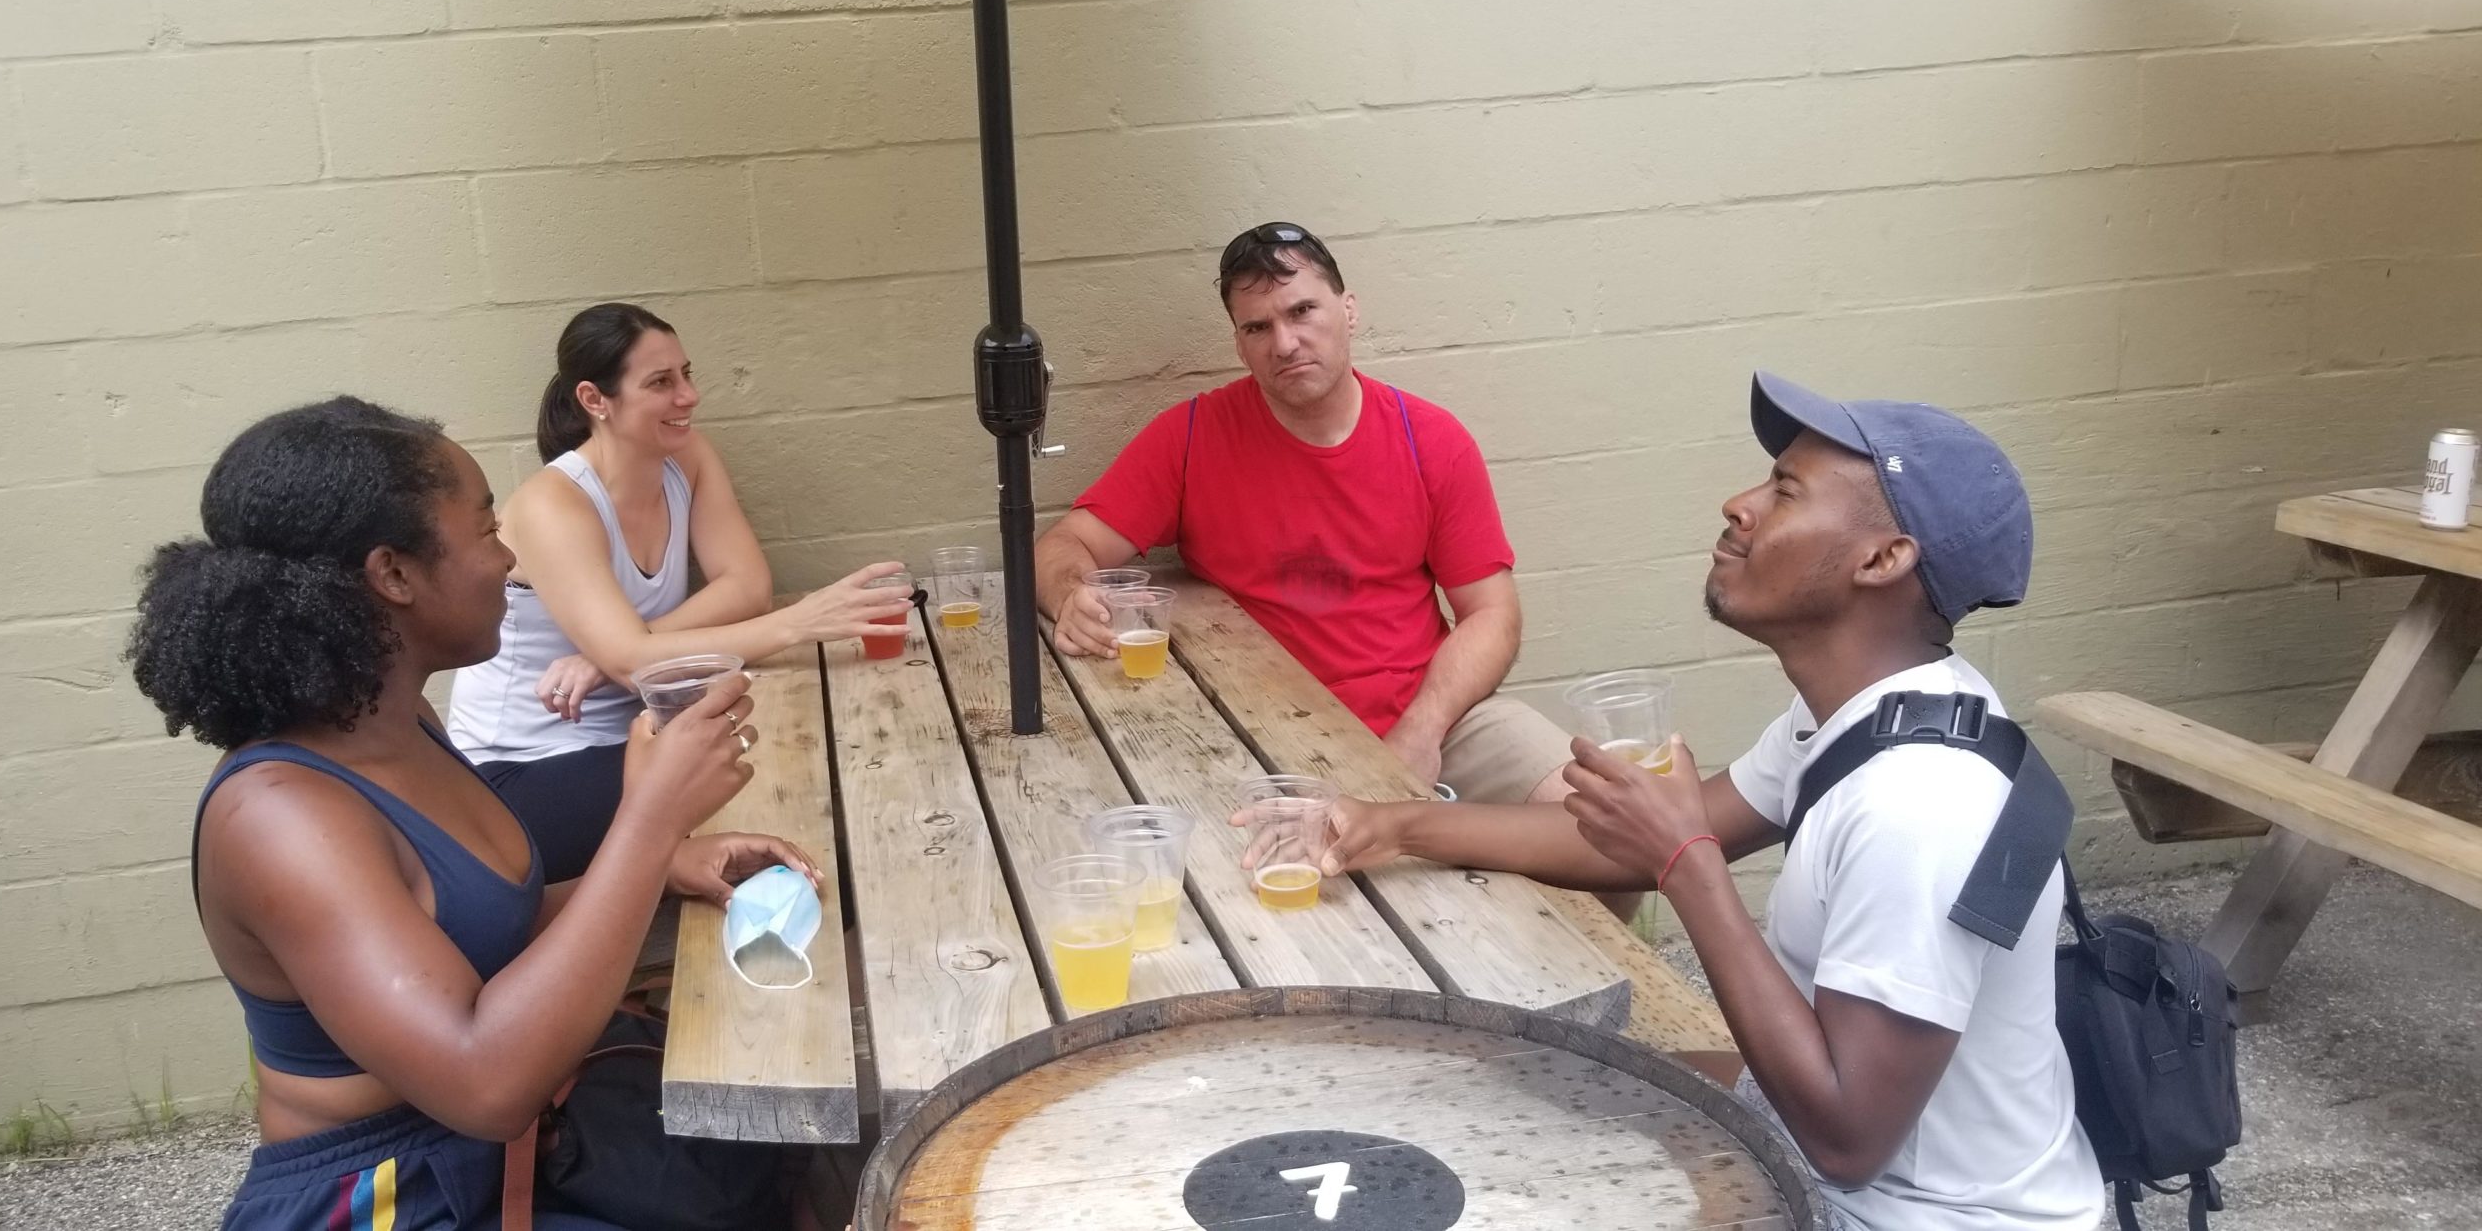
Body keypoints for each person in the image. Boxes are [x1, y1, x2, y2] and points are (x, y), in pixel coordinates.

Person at [1283, 373, 2104, 1229]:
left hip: (1899, 1213)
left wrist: (1686, 864)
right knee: (1488, 1093)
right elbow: (1623, 843)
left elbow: (1848, 1141)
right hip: (1819, 1152)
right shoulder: (1863, 716)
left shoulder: (1920, 805)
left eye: (1785, 490)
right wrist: (1395, 825)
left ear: (1882, 559)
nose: (1738, 505)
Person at [128, 396, 821, 1229]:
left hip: (510, 1144)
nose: (509, 559)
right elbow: (485, 1086)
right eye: (488, 530)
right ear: (393, 574)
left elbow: (481, 932)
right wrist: (648, 826)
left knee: (794, 1158)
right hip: (396, 1190)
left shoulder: (400, 720)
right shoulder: (281, 816)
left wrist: (668, 870)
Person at [1036, 221, 1573, 805]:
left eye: (1303, 311)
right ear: (1239, 345)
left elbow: (1493, 614)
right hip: (1269, 737)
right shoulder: (1191, 438)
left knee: (1597, 816)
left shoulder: (1432, 440)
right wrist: (1070, 595)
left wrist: (1423, 729)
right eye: (1258, 327)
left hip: (1436, 716)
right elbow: (1063, 546)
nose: (1285, 343)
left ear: (1348, 310)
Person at [448, 303, 910, 880]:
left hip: (636, 737)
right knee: (759, 765)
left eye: (686, 374)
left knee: (805, 744)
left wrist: (620, 651)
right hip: (520, 776)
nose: (688, 396)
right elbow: (635, 667)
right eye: (661, 383)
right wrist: (800, 622)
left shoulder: (685, 457)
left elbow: (746, 587)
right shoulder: (553, 504)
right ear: (594, 399)